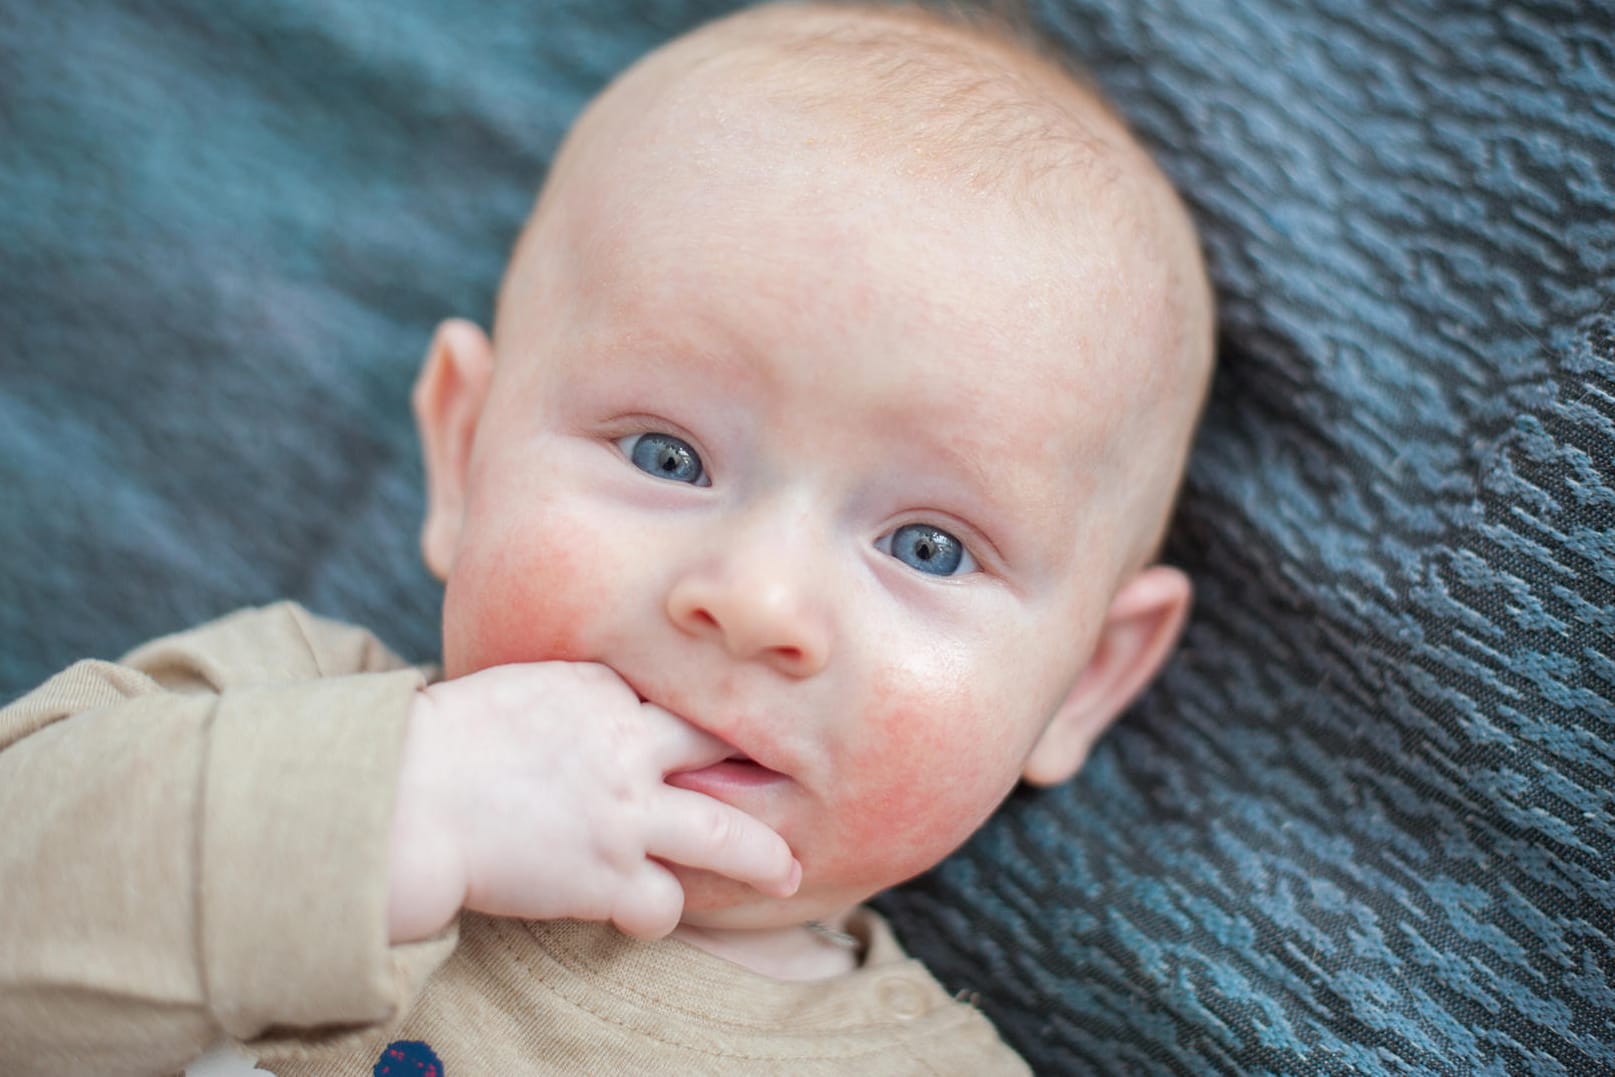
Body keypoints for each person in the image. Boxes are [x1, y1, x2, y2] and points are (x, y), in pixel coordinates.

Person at [0, 1, 1214, 1072]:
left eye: (928, 547)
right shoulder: (261, 708)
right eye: (665, 456)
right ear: (466, 460)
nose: (755, 602)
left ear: (1084, 681)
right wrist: (388, 806)